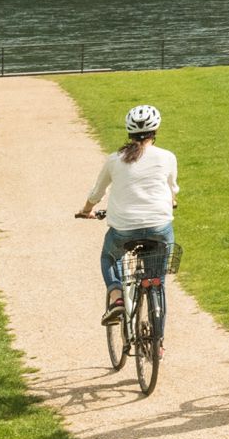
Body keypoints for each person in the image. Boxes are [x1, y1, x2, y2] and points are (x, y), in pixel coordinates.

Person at [76, 104, 178, 348]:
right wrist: (171, 202)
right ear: (156, 131)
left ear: (129, 132)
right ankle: (158, 344)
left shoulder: (114, 160)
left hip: (123, 229)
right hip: (159, 228)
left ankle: (117, 297)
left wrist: (86, 211)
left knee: (109, 256)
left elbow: (97, 192)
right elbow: (172, 189)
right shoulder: (167, 157)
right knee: (158, 283)